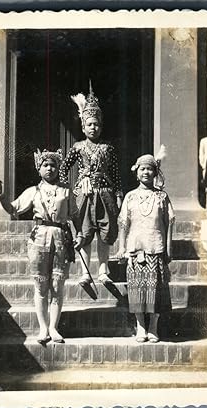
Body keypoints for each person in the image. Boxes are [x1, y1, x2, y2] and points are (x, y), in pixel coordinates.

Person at [0, 148, 84, 344]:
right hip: (39, 239)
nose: (49, 168)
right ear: (39, 168)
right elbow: (13, 209)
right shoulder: (32, 191)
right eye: (45, 165)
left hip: (61, 238)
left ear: (59, 168)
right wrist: (1, 197)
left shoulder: (66, 190)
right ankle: (43, 328)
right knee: (41, 285)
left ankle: (54, 327)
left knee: (57, 286)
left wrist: (80, 234)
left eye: (53, 165)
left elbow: (75, 215)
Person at [59, 82, 123, 286]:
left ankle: (103, 270)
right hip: (83, 195)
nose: (93, 128)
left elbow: (115, 173)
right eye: (89, 124)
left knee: (105, 232)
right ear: (83, 126)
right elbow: (63, 168)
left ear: (101, 126)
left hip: (105, 194)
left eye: (96, 124)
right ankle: (85, 272)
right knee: (84, 232)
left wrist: (119, 195)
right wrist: (68, 189)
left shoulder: (108, 148)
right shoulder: (77, 147)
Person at [116, 148, 175, 343]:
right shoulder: (130, 197)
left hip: (155, 248)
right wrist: (122, 247)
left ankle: (153, 327)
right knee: (136, 290)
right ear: (137, 171)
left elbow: (169, 222)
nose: (146, 172)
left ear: (155, 172)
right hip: (135, 249)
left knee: (155, 290)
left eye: (150, 169)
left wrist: (167, 249)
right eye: (142, 169)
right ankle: (141, 327)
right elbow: (123, 222)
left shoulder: (162, 197)